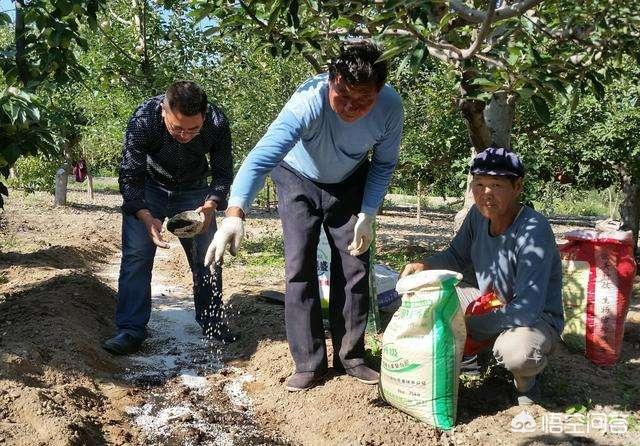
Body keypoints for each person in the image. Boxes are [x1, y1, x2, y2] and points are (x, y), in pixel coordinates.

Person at [205, 40, 404, 391]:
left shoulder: (390, 107)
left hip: (350, 179)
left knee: (356, 266)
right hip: (297, 175)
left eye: (363, 100)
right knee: (299, 264)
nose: (351, 108)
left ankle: (352, 356)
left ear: (379, 91)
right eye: (342, 96)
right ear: (331, 80)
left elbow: (384, 163)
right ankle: (309, 363)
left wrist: (368, 213)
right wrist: (235, 213)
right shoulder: (307, 102)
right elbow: (260, 158)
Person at [401, 147, 563, 406]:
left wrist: (468, 326)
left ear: (518, 187)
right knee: (429, 295)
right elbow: (456, 256)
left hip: (534, 318)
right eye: (479, 184)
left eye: (496, 185)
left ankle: (527, 383)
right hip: (491, 301)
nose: (486, 193)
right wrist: (424, 265)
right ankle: (476, 354)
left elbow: (526, 310)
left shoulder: (533, 231)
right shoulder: (477, 216)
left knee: (517, 352)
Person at [102, 81, 234, 355]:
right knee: (137, 255)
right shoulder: (143, 119)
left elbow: (222, 174)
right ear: (164, 110)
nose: (185, 135)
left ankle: (212, 323)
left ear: (205, 115)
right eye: (177, 128)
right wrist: (144, 215)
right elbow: (130, 174)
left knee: (206, 257)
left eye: (193, 129)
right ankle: (130, 329)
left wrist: (211, 205)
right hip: (150, 187)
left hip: (195, 191)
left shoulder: (217, 122)